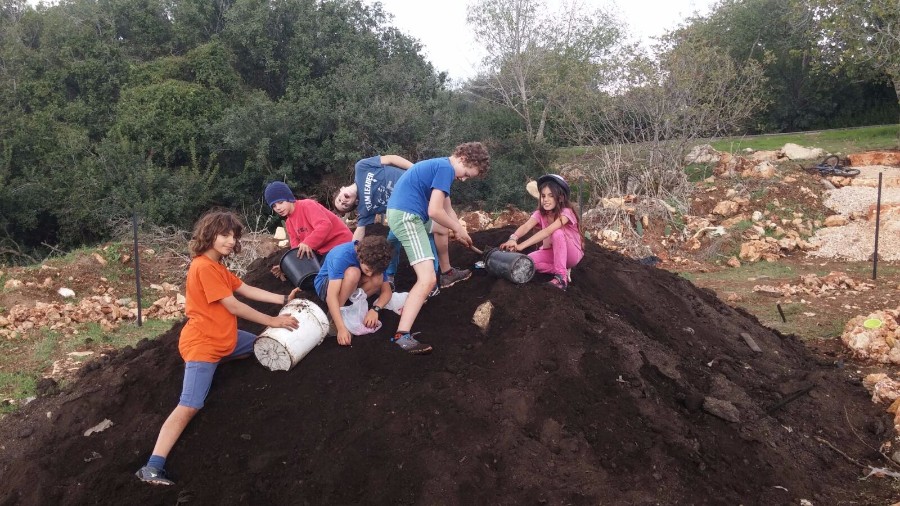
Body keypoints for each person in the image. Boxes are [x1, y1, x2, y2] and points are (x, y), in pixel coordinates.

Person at [135, 210, 301, 486]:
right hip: (204, 345)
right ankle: (152, 466)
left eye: (233, 236)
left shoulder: (219, 267)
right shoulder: (202, 267)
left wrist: (284, 297)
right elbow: (234, 305)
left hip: (227, 339)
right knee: (190, 405)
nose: (229, 241)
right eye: (224, 235)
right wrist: (273, 319)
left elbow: (246, 290)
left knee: (263, 343)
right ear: (209, 235)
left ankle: (221, 361)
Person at [385, 141, 491, 354]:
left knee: (442, 229)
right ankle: (401, 335)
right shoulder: (445, 169)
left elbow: (447, 210)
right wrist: (456, 228)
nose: (463, 179)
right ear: (463, 159)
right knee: (426, 279)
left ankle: (447, 273)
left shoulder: (441, 167)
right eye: (467, 174)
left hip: (405, 213)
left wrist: (461, 230)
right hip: (408, 217)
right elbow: (434, 211)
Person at [333, 155, 472, 291]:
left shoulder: (361, 167)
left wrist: (415, 170)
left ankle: (439, 276)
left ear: (342, 189)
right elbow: (359, 232)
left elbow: (392, 159)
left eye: (339, 200)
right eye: (344, 206)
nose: (343, 202)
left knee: (431, 233)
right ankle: (392, 278)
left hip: (416, 193)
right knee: (393, 242)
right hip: (402, 210)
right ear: (355, 203)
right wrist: (351, 256)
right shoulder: (364, 209)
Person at [499, 174, 583, 291]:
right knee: (528, 261)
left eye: (551, 196)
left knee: (557, 233)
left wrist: (521, 246)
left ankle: (561, 279)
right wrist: (513, 238)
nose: (546, 199)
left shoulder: (566, 212)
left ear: (561, 198)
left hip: (571, 254)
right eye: (543, 196)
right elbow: (526, 226)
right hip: (553, 252)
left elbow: (548, 231)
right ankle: (562, 269)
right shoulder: (541, 213)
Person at [313, 236, 394, 347]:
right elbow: (331, 296)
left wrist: (375, 310)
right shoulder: (342, 255)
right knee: (353, 273)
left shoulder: (377, 259)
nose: (369, 274)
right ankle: (333, 318)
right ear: (360, 258)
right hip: (326, 285)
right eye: (367, 270)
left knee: (377, 278)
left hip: (351, 286)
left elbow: (387, 292)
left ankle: (350, 305)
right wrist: (341, 328)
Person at [265, 181, 353, 280]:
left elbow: (325, 225)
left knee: (323, 276)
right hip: (323, 252)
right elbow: (297, 250)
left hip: (341, 244)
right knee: (309, 277)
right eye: (274, 206)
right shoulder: (289, 223)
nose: (278, 208)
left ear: (289, 198)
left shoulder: (307, 205)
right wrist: (286, 267)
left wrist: (308, 243)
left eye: (280, 202)